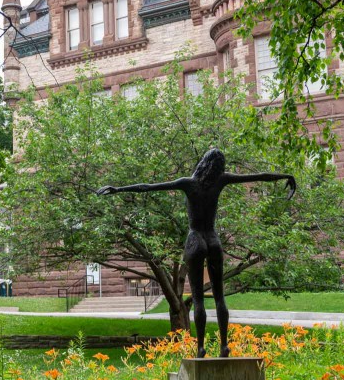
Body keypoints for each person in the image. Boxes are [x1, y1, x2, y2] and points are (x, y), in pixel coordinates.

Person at [97, 148, 295, 357]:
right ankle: (224, 346)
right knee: (220, 298)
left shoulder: (188, 183)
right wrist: (285, 176)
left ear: (203, 162)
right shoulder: (222, 180)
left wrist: (118, 189)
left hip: (196, 239)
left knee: (198, 299)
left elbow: (148, 187)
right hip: (213, 239)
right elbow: (260, 176)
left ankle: (200, 348)